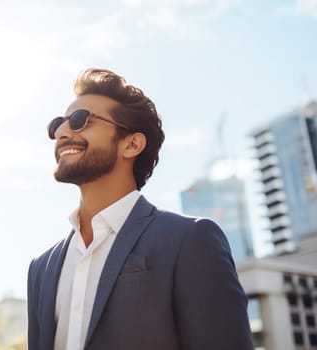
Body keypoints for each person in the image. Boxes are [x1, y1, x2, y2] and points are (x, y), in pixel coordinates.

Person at [26, 68, 253, 350]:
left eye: (79, 120)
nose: (60, 132)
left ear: (131, 144)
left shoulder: (191, 240)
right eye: (57, 124)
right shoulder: (41, 267)